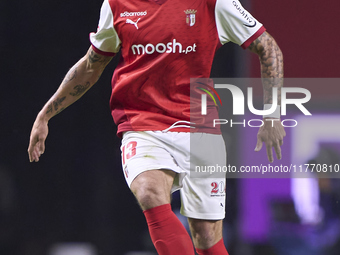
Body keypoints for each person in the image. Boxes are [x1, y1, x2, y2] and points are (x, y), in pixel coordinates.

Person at [28, 0, 285, 254]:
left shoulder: (214, 3)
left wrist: (272, 114)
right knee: (149, 191)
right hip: (142, 124)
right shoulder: (117, 4)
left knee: (206, 237)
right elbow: (90, 65)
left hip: (200, 126)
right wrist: (46, 113)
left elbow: (269, 48)